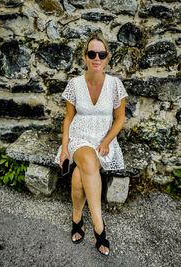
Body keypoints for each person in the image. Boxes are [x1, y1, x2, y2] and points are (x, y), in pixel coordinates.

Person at [55, 31, 128, 256]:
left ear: (107, 58)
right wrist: (65, 148)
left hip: (104, 143)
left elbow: (120, 118)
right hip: (79, 139)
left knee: (79, 178)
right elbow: (68, 118)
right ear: (85, 57)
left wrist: (106, 141)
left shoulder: (115, 85)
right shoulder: (75, 84)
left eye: (102, 54)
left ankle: (77, 218)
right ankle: (99, 226)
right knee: (86, 160)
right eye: (92, 53)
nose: (97, 58)